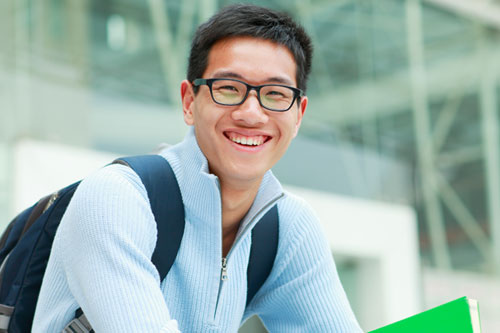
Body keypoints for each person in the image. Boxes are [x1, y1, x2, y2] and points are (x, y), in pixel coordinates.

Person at [33, 4, 362, 332]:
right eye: (229, 89)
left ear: (298, 114)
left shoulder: (288, 228)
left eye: (275, 94)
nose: (251, 113)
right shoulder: (118, 198)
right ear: (189, 102)